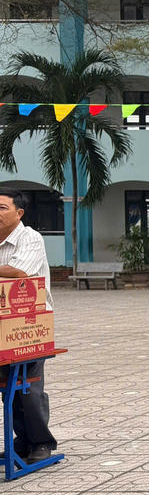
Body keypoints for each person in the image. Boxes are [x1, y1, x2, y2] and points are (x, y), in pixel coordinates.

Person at [0, 188, 56, 463]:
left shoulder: (30, 238)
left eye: (1, 208)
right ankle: (21, 442)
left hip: (30, 326)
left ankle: (41, 442)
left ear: (18, 213)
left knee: (29, 388)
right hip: (3, 327)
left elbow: (19, 272)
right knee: (8, 388)